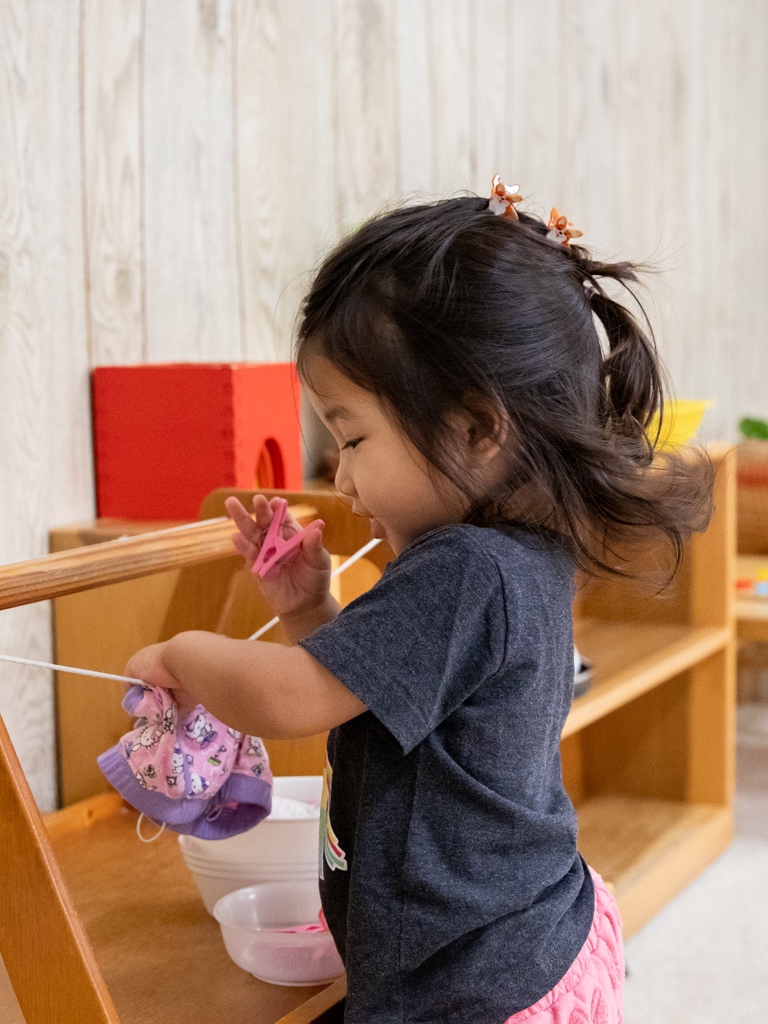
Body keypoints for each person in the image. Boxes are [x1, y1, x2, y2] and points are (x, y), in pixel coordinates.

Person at [125, 180, 714, 1023]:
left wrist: (182, 653)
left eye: (353, 436)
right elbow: (382, 694)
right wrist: (307, 610)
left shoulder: (466, 570)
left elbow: (294, 699)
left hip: (473, 985)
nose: (339, 473)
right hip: (523, 939)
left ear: (478, 428)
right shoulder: (513, 555)